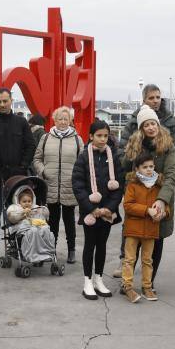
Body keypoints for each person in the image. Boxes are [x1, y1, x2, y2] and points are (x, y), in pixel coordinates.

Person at [117, 105, 175, 287]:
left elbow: (171, 174)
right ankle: (127, 282)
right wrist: (131, 151)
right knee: (132, 243)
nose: (151, 128)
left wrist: (162, 200)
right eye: (146, 125)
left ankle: (148, 282)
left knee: (156, 243)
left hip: (159, 198)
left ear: (158, 125)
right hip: (138, 201)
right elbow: (125, 169)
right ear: (141, 128)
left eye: (153, 123)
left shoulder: (168, 146)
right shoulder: (135, 144)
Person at [72, 119, 124, 300]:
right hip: (90, 212)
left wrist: (110, 208)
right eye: (99, 136)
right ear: (91, 136)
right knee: (90, 244)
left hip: (108, 211)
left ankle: (99, 279)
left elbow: (119, 185)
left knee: (102, 245)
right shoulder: (83, 157)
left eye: (105, 136)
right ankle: (87, 281)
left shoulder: (114, 156)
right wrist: (91, 208)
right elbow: (78, 185)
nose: (102, 139)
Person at [0, 88, 35, 262]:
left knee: (16, 211)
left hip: (18, 178)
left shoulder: (21, 122)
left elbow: (30, 146)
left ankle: (17, 244)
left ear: (11, 100)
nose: (2, 104)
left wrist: (22, 167)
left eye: (5, 101)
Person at [33, 106, 84, 265]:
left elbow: (83, 163)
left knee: (69, 220)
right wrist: (43, 171)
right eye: (60, 119)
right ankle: (50, 249)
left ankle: (71, 250)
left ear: (70, 121)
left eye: (66, 119)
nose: (63, 122)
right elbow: (37, 159)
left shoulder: (77, 139)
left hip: (69, 186)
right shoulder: (46, 138)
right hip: (51, 185)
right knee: (52, 220)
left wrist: (75, 177)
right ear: (54, 120)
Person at [121, 151, 169, 303]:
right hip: (133, 229)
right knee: (129, 259)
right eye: (145, 167)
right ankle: (127, 286)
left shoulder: (158, 185)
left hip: (151, 229)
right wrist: (147, 210)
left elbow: (166, 206)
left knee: (148, 260)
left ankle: (147, 286)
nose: (149, 169)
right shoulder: (132, 185)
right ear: (137, 169)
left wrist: (163, 213)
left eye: (151, 166)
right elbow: (128, 206)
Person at [119, 84, 175, 169]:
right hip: (138, 175)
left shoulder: (170, 120)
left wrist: (170, 173)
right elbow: (123, 151)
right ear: (144, 100)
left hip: (163, 177)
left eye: (158, 97)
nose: (155, 101)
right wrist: (134, 173)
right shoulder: (134, 121)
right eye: (151, 98)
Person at [5, 186, 56, 264]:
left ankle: (46, 253)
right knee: (33, 230)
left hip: (36, 227)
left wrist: (42, 211)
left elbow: (45, 215)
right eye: (24, 201)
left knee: (45, 229)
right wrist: (22, 213)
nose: (27, 203)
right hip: (22, 230)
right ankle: (32, 254)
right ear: (19, 201)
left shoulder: (35, 208)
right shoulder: (15, 208)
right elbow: (12, 217)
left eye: (29, 201)